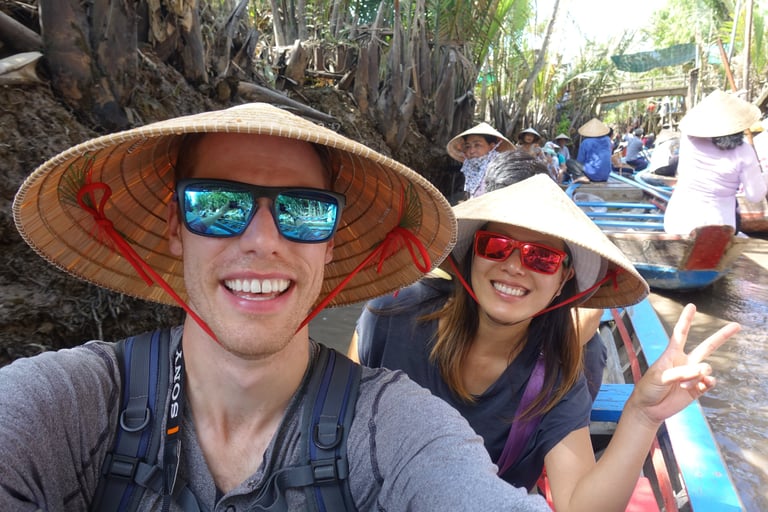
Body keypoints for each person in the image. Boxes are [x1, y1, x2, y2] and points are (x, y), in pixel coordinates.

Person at [3, 103, 553, 511]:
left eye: (304, 211)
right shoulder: (72, 408)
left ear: (331, 242)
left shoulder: (393, 427)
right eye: (218, 204)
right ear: (175, 226)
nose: (263, 241)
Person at [349, 174, 739, 511]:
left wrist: (642, 416)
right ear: (471, 255)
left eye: (541, 258)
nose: (513, 266)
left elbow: (578, 505)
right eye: (496, 246)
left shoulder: (558, 372)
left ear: (563, 280)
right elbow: (336, 427)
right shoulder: (391, 317)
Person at [664, 90, 768, 235]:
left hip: (676, 222)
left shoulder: (688, 139)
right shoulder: (744, 151)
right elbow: (755, 195)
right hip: (718, 228)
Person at [447, 122, 514, 199]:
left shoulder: (501, 168)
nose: (471, 151)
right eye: (468, 146)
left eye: (477, 145)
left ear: (492, 147)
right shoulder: (470, 169)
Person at [575, 118, 613, 182]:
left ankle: (581, 177)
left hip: (592, 174)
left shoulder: (586, 142)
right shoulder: (608, 140)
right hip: (606, 175)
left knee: (570, 162)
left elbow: (580, 160)